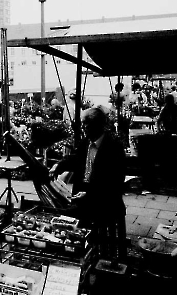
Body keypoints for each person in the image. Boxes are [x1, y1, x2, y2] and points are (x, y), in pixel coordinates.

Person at [50, 107, 127, 261]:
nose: (83, 128)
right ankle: (83, 258)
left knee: (103, 241)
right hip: (83, 195)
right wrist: (59, 165)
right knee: (76, 230)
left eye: (86, 124)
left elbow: (115, 181)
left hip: (105, 201)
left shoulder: (114, 147)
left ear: (97, 125)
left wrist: (91, 194)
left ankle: (103, 260)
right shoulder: (86, 142)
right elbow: (75, 159)